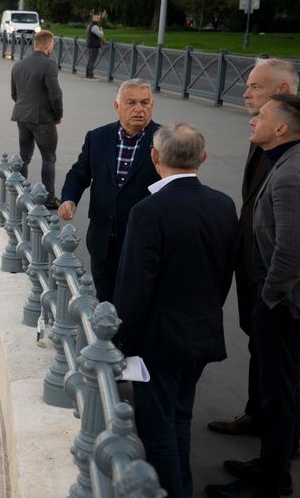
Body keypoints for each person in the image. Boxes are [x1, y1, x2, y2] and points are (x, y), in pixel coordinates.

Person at [206, 95, 300, 498]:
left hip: (285, 305)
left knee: (281, 396)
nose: (252, 120)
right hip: (289, 301)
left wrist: (269, 298)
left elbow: (290, 254)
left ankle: (272, 480)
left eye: (260, 116)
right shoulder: (299, 162)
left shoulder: (293, 174)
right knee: (281, 388)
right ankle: (267, 465)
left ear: (280, 128)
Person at [114, 123, 238, 498]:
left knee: (157, 429)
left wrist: (119, 341)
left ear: (154, 158)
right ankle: (182, 485)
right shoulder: (223, 203)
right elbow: (224, 271)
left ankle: (173, 491)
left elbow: (134, 287)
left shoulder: (149, 211)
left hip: (158, 341)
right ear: (203, 157)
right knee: (181, 417)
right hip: (201, 332)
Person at [57, 79, 160, 303]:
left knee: (139, 303)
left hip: (143, 241)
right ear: (117, 106)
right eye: (131, 102)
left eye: (145, 102)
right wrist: (69, 199)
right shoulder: (97, 137)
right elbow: (79, 174)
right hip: (103, 238)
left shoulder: (165, 140)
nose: (139, 109)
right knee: (105, 299)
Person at [10, 30, 64, 206]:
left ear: (35, 44)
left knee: (24, 157)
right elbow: (55, 95)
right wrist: (57, 115)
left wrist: (25, 107)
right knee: (49, 158)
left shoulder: (18, 65)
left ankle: (21, 193)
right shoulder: (49, 65)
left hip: (22, 117)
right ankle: (48, 198)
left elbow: (14, 94)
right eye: (53, 45)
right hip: (42, 119)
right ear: (49, 46)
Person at [85, 12, 105, 80]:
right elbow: (101, 35)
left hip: (90, 45)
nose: (98, 19)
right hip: (93, 46)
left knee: (90, 61)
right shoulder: (94, 26)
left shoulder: (90, 25)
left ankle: (87, 75)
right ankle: (90, 76)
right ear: (93, 18)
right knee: (92, 61)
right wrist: (102, 30)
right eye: (97, 17)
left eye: (99, 17)